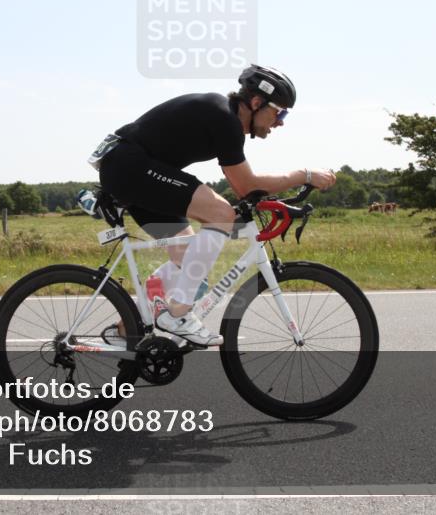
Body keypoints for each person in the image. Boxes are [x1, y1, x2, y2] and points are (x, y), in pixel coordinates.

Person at [91, 65, 336, 346]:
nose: (281, 121)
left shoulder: (225, 119)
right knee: (221, 214)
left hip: (133, 168)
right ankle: (178, 314)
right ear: (256, 103)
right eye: (279, 112)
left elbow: (245, 186)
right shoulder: (224, 119)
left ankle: (125, 331)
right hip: (129, 166)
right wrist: (304, 175)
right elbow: (245, 185)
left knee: (187, 258)